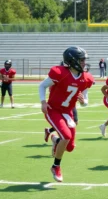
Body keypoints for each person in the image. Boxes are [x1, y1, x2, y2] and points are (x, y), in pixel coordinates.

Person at [39, 46, 94, 182]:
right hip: (53, 110)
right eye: (81, 60)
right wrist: (43, 102)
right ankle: (55, 166)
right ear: (72, 60)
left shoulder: (85, 78)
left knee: (70, 147)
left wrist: (83, 102)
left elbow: (85, 101)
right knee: (66, 135)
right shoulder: (60, 73)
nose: (83, 63)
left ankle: (55, 140)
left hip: (67, 112)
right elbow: (42, 86)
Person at [43, 62, 92, 142]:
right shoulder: (60, 75)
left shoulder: (82, 79)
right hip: (58, 105)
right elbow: (46, 86)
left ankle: (50, 133)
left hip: (70, 105)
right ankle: (57, 139)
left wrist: (83, 101)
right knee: (65, 128)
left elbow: (84, 98)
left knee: (74, 123)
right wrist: (44, 101)